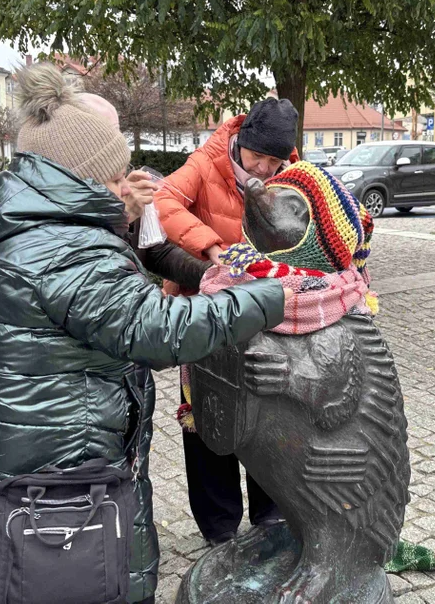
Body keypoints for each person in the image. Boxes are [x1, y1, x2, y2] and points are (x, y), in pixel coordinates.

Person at [0, 64, 290, 604]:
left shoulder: (27, 220)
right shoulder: (65, 249)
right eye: (116, 175)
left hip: (35, 448)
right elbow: (160, 329)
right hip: (60, 471)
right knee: (76, 577)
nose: (127, 185)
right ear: (81, 175)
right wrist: (278, 293)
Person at [155, 97, 299, 546]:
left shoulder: (291, 171)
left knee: (268, 411)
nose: (264, 168)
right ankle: (219, 527)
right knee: (206, 414)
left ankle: (271, 513)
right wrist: (215, 251)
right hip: (208, 309)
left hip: (263, 310)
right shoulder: (207, 160)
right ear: (243, 142)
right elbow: (163, 201)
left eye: (274, 160)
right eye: (258, 157)